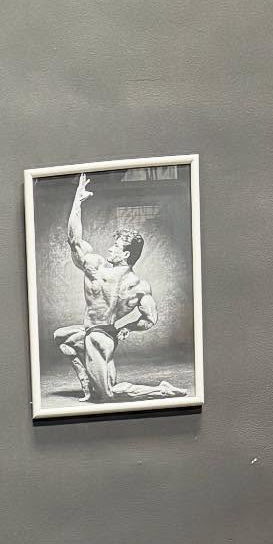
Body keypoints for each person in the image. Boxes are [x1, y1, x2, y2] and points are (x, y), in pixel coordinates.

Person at [54, 172, 187, 403]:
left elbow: (74, 240)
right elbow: (150, 319)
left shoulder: (96, 268)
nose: (111, 248)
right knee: (61, 337)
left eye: (116, 246)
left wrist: (78, 201)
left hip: (96, 338)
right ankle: (87, 382)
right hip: (104, 333)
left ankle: (162, 390)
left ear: (125, 254)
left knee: (109, 394)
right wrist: (128, 327)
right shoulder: (140, 285)